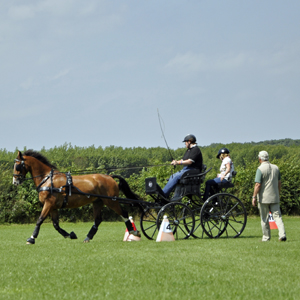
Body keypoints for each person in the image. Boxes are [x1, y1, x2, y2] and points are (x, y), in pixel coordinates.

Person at [252, 151, 286, 242]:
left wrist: (254, 196)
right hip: (275, 196)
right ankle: (282, 234)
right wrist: (278, 193)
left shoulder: (260, 169)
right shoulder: (276, 168)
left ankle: (266, 237)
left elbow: (257, 184)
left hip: (264, 198)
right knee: (278, 217)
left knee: (264, 218)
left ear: (260, 159)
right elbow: (279, 183)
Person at [161, 134, 203, 198]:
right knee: (172, 176)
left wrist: (178, 163)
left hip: (192, 170)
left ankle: (163, 195)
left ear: (189, 141)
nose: (185, 144)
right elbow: (183, 160)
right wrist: (176, 161)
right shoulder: (189, 150)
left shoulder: (195, 150)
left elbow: (189, 161)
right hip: (187, 170)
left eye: (185, 142)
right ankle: (171, 196)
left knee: (175, 177)